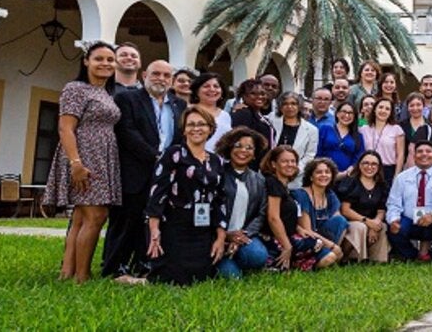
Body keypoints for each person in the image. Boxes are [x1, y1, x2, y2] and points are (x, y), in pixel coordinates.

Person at [48, 41, 121, 284]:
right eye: (99, 58)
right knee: (96, 215)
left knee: (81, 216)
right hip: (85, 154)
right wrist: (75, 163)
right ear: (86, 61)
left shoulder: (105, 92)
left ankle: (67, 273)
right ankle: (83, 275)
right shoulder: (75, 88)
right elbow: (65, 127)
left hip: (104, 155)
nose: (105, 64)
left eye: (110, 60)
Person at [105, 58, 184, 279]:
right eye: (156, 74)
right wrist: (157, 157)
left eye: (166, 75)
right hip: (135, 171)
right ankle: (114, 265)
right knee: (125, 221)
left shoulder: (179, 105)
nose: (161, 79)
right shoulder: (127, 99)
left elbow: (180, 138)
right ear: (144, 76)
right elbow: (127, 132)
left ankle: (143, 263)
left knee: (150, 223)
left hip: (165, 176)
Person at [142, 106, 227, 286]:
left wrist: (220, 237)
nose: (196, 128)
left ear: (210, 129)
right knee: (171, 280)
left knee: (201, 278)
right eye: (191, 125)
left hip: (203, 228)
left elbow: (220, 199)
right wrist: (154, 230)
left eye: (201, 124)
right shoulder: (173, 154)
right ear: (184, 129)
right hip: (174, 225)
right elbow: (157, 193)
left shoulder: (216, 160)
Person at [260, 145, 334, 270]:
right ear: (273, 164)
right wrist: (287, 245)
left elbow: (285, 216)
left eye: (293, 161)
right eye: (284, 161)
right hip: (274, 237)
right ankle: (276, 262)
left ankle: (287, 263)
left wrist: (299, 228)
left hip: (289, 234)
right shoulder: (273, 183)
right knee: (316, 243)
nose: (290, 164)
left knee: (321, 247)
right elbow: (273, 218)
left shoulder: (284, 186)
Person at [214, 128, 270, 279]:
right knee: (232, 277)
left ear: (254, 154)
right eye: (238, 145)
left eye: (249, 148)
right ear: (229, 148)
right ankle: (224, 256)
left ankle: (236, 254)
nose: (243, 151)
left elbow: (261, 213)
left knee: (258, 256)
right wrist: (226, 235)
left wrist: (242, 236)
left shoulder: (259, 180)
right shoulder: (217, 174)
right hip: (217, 235)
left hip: (244, 234)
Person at [386, 143, 432, 263]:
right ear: (414, 156)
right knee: (393, 228)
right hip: (409, 219)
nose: (424, 154)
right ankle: (412, 255)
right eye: (420, 151)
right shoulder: (402, 177)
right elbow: (393, 202)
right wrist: (394, 219)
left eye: (428, 151)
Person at [336, 152, 390, 262]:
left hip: (369, 221)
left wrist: (376, 222)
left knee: (382, 226)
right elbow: (345, 210)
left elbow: (381, 210)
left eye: (374, 164)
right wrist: (367, 221)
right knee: (360, 227)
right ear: (359, 165)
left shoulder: (381, 185)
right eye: (366, 163)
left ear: (379, 167)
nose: (369, 167)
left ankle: (376, 259)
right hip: (351, 220)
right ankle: (345, 258)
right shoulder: (350, 182)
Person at [293, 159, 349, 256]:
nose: (324, 175)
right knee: (328, 258)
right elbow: (307, 230)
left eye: (327, 172)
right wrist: (332, 246)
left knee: (341, 221)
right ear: (311, 177)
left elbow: (338, 222)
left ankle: (330, 253)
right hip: (306, 237)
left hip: (323, 238)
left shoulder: (330, 194)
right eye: (319, 172)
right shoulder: (301, 194)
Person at [270, 92, 318, 187]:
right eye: (285, 104)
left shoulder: (311, 130)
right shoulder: (271, 122)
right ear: (280, 106)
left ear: (299, 106)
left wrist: (294, 169)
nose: (289, 107)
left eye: (293, 104)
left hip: (294, 179)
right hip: (271, 174)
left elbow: (310, 155)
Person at [361, 98, 405, 184]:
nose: (383, 111)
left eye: (387, 109)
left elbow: (400, 155)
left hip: (388, 171)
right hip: (367, 169)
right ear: (374, 109)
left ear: (390, 113)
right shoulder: (363, 129)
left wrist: (396, 176)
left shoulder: (397, 129)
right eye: (380, 107)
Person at [230, 80, 275, 155]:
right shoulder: (243, 114)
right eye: (253, 94)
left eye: (262, 94)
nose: (260, 97)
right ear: (243, 96)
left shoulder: (260, 115)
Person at [189, 72, 232, 150]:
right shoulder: (189, 111)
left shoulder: (225, 115)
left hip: (220, 160)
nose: (212, 89)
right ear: (196, 91)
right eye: (206, 86)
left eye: (216, 86)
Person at [318, 101, 363, 172]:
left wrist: (351, 169)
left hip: (346, 176)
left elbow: (358, 156)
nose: (347, 115)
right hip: (324, 173)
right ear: (337, 114)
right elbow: (318, 151)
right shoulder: (325, 129)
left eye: (350, 113)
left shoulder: (358, 136)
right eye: (344, 111)